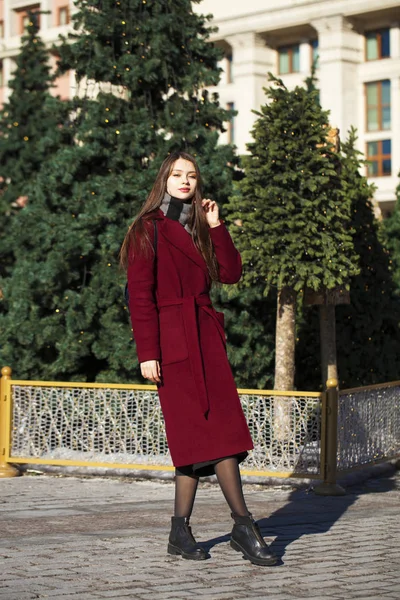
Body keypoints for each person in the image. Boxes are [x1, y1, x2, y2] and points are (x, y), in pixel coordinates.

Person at [120, 151, 277, 566]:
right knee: (201, 437)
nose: (185, 181)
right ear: (164, 180)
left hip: (206, 338)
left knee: (212, 434)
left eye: (191, 175)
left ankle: (180, 530)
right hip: (172, 344)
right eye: (177, 174)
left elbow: (230, 273)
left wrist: (217, 225)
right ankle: (243, 525)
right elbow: (140, 297)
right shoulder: (146, 229)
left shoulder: (199, 225)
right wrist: (147, 353)